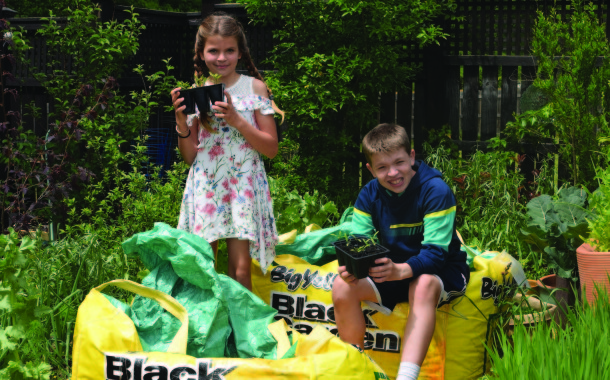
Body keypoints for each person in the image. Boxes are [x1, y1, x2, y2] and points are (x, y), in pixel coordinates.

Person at [332, 123, 469, 380]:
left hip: (442, 270)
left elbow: (437, 255)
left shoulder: (436, 190)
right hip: (393, 269)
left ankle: (406, 377)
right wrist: (353, 267)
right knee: (342, 287)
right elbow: (360, 243)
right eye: (382, 167)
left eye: (399, 163)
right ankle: (356, 367)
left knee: (423, 283)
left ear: (412, 157)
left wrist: (400, 270)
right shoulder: (368, 194)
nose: (393, 173)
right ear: (370, 170)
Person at [170, 13, 284, 291]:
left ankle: (240, 332)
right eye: (214, 51)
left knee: (241, 270)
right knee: (202, 266)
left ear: (240, 52)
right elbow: (189, 157)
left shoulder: (254, 88)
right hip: (206, 186)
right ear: (201, 53)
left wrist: (237, 119)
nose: (221, 58)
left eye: (229, 50)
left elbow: (271, 149)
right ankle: (209, 331)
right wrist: (179, 119)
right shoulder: (197, 92)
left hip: (242, 185)